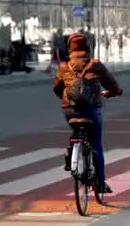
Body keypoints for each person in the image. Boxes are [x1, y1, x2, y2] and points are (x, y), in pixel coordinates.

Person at [53, 32, 123, 194]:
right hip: (91, 110)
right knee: (96, 143)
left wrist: (65, 98)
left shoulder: (64, 67)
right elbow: (112, 85)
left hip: (69, 109)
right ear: (88, 47)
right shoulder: (95, 64)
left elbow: (57, 88)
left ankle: (72, 152)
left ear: (69, 48)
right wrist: (115, 92)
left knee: (76, 130)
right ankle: (100, 183)